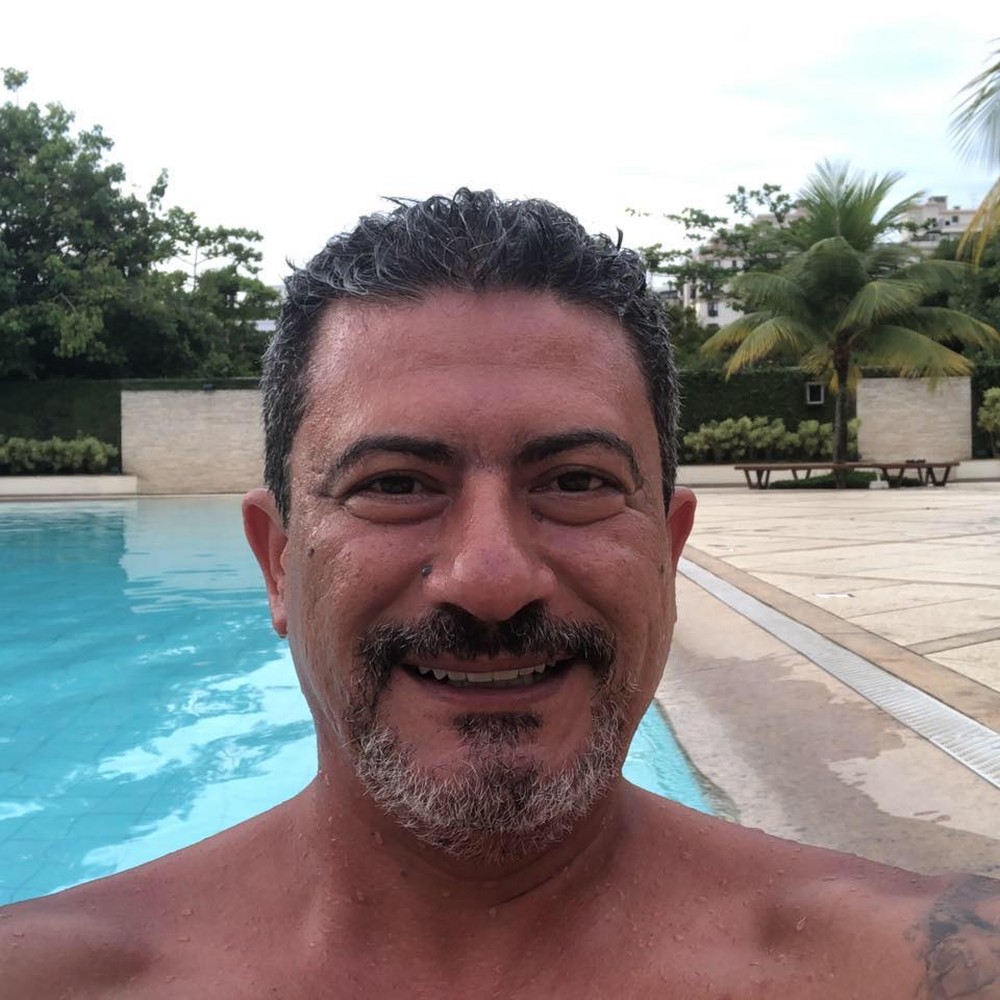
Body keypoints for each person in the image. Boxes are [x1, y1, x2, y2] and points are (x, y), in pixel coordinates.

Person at [3, 190, 998, 999]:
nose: (490, 578)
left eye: (575, 481)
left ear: (668, 552)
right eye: (397, 483)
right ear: (277, 562)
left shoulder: (926, 968)